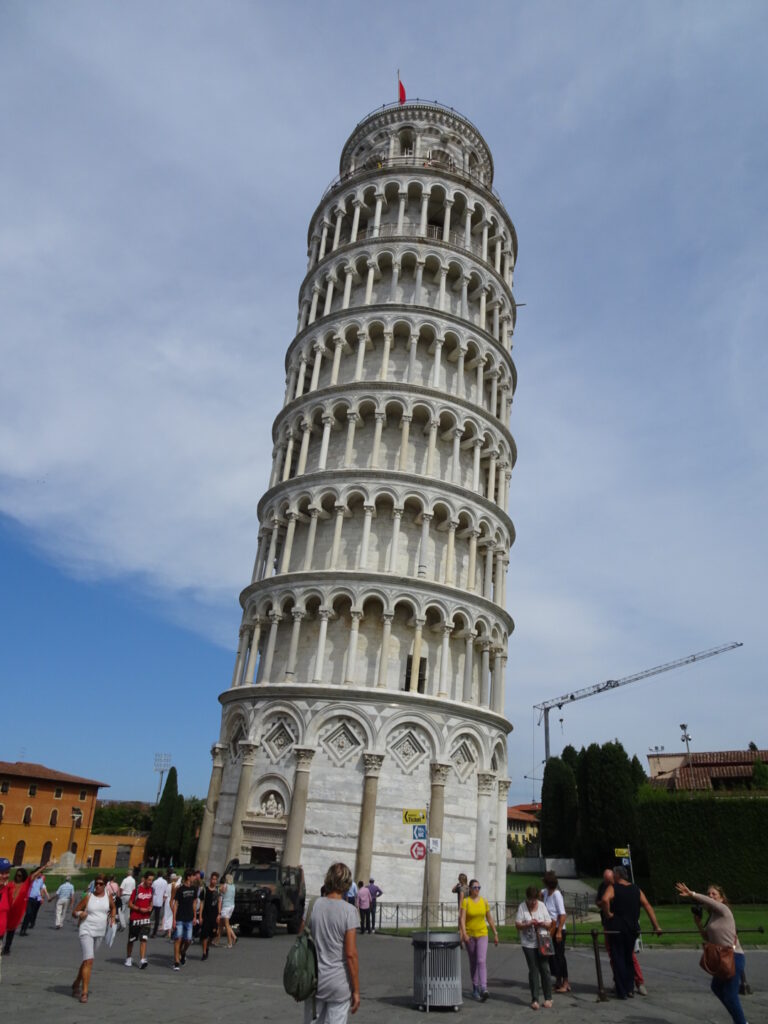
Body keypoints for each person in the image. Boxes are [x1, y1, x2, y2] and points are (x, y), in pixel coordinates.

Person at [676, 881, 748, 1024]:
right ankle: (738, 1019)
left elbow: (709, 902)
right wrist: (698, 923)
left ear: (721, 898)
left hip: (733, 957)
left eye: (714, 894)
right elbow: (708, 938)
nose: (710, 896)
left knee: (731, 996)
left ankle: (742, 1022)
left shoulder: (724, 910)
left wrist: (692, 894)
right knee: (716, 988)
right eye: (709, 894)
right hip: (721, 957)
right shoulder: (713, 916)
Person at [302, 861, 360, 1023]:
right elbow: (350, 954)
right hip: (338, 983)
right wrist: (356, 990)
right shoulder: (350, 912)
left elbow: (301, 938)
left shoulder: (312, 906)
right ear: (347, 884)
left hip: (313, 980)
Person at [600, 866, 662, 999]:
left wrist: (608, 914)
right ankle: (630, 988)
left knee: (617, 958)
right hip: (632, 928)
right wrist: (656, 926)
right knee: (628, 958)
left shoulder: (613, 888)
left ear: (617, 876)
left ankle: (621, 990)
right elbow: (647, 905)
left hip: (617, 927)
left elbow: (605, 900)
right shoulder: (636, 889)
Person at [72, 874, 116, 1003]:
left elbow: (113, 908)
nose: (98, 885)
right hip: (86, 930)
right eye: (96, 883)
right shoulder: (88, 897)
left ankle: (76, 982)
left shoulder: (108, 897)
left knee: (87, 960)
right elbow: (74, 912)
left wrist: (112, 917)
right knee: (89, 960)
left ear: (105, 885)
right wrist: (81, 913)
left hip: (100, 932)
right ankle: (84, 991)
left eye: (101, 884)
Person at [459, 877, 499, 1002]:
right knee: (473, 962)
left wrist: (495, 933)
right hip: (470, 936)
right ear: (470, 889)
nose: (477, 890)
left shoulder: (484, 901)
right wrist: (464, 934)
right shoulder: (466, 902)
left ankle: (484, 988)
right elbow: (462, 919)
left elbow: (489, 918)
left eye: (478, 888)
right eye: (475, 887)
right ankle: (475, 988)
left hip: (482, 934)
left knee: (481, 960)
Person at [515, 885, 555, 1010]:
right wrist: (527, 924)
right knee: (533, 970)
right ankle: (535, 999)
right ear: (527, 898)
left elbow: (550, 923)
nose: (533, 902)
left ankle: (548, 998)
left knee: (545, 969)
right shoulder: (522, 906)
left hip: (542, 942)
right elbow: (517, 925)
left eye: (534, 899)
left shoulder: (542, 906)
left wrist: (542, 923)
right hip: (528, 943)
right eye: (530, 900)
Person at [541, 871, 569, 993]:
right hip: (549, 929)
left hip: (557, 929)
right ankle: (557, 981)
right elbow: (538, 892)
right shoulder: (546, 892)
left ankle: (566, 982)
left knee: (559, 956)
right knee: (551, 956)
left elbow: (562, 914)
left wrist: (558, 931)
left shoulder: (557, 894)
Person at [171, 869, 199, 970]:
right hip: (180, 918)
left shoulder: (194, 889)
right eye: (193, 876)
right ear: (188, 877)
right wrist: (174, 919)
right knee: (178, 939)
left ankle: (182, 952)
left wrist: (195, 916)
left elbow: (195, 902)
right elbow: (176, 904)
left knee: (188, 940)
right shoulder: (180, 889)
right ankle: (176, 962)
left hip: (189, 917)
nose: (194, 877)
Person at [125, 870, 154, 969]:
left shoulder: (151, 890)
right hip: (135, 918)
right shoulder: (137, 890)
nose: (150, 882)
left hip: (146, 918)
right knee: (132, 940)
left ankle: (142, 960)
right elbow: (129, 904)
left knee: (144, 939)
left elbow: (151, 901)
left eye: (152, 880)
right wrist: (139, 909)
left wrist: (150, 907)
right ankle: (129, 958)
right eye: (149, 880)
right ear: (145, 879)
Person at [199, 872, 221, 960]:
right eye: (213, 879)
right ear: (210, 879)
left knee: (212, 935)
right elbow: (201, 903)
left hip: (214, 915)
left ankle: (207, 947)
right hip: (206, 915)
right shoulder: (204, 890)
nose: (214, 881)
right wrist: (200, 916)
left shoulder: (218, 891)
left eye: (215, 879)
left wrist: (219, 914)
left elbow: (219, 902)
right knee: (204, 934)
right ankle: (204, 953)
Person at [19, 868, 48, 934]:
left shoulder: (41, 880)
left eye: (41, 874)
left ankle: (25, 929)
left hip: (36, 899)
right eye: (39, 873)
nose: (40, 874)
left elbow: (41, 889)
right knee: (28, 913)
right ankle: (22, 929)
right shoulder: (32, 879)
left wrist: (41, 897)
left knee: (31, 914)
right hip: (29, 898)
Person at [216, 872, 237, 948]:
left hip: (226, 906)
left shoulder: (225, 885)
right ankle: (217, 940)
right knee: (222, 924)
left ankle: (229, 942)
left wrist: (219, 889)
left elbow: (221, 891)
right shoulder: (233, 886)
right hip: (232, 906)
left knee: (226, 925)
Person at [151, 871, 168, 936]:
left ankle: (145, 929)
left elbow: (152, 890)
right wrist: (163, 900)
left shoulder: (155, 882)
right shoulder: (165, 882)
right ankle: (154, 933)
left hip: (154, 900)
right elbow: (165, 892)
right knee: (157, 918)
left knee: (148, 915)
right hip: (160, 901)